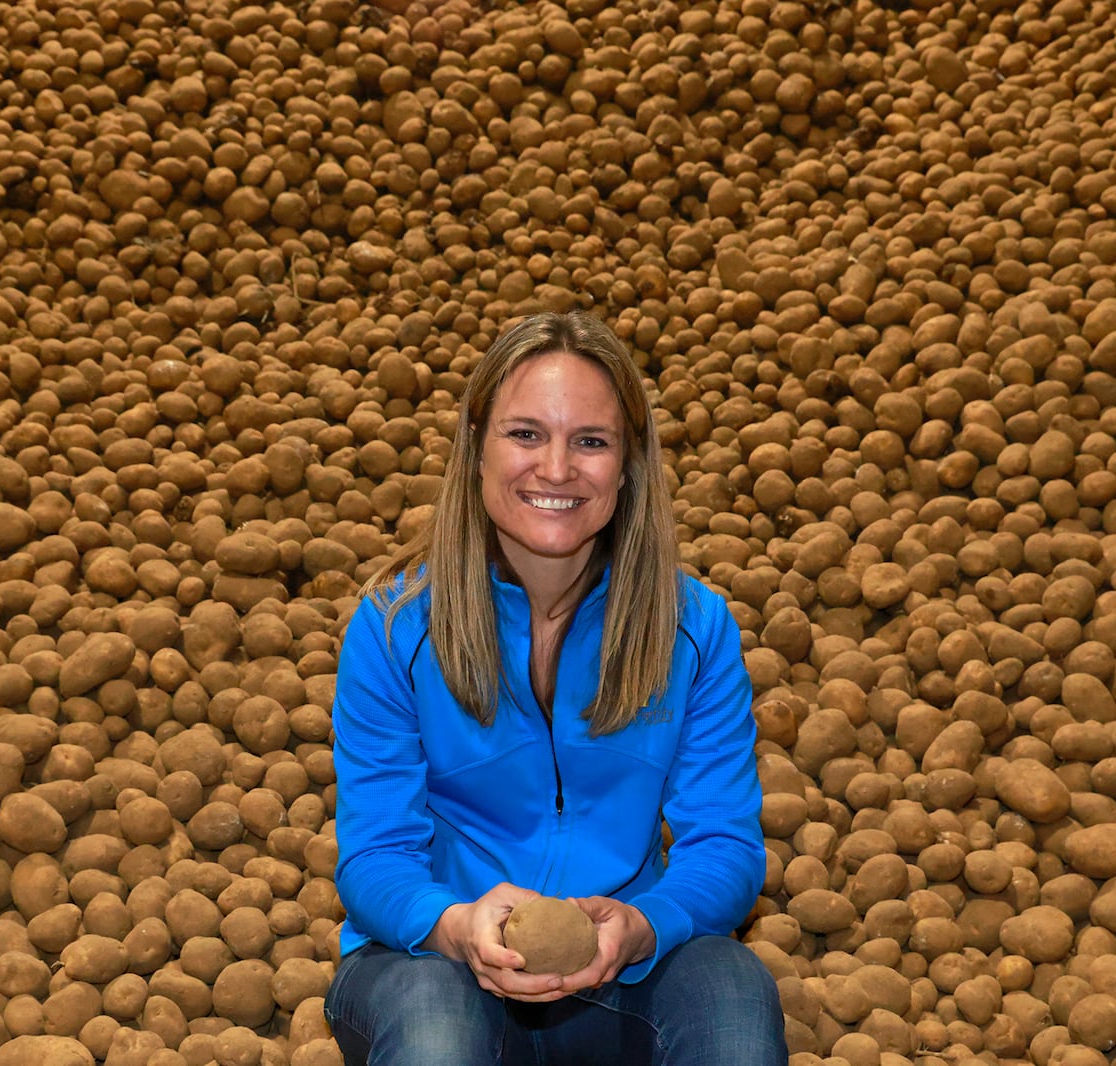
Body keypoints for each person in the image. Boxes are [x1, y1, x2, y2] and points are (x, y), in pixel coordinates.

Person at [325, 311, 786, 1065]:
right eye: (527, 434)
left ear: (629, 464)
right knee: (439, 1032)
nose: (558, 468)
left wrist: (647, 925)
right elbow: (374, 857)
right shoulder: (394, 629)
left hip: (626, 976)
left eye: (591, 441)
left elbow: (725, 844)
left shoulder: (693, 628)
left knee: (733, 994)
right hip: (437, 972)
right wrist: (452, 924)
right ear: (475, 446)